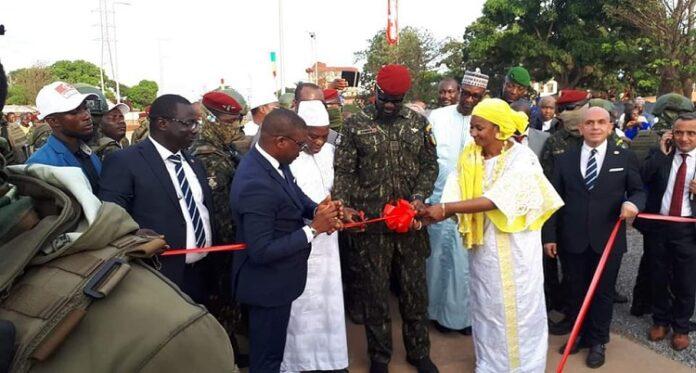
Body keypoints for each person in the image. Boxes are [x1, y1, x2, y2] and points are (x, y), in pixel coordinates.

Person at [417, 98, 564, 373]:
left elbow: (497, 199)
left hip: (517, 250)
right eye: (472, 127)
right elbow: (455, 188)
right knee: (487, 308)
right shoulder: (470, 155)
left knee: (520, 312)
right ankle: (490, 364)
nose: (473, 133)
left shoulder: (522, 157)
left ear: (498, 129)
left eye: (478, 128)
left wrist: (446, 208)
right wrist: (429, 214)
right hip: (484, 249)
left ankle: (524, 367)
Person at [333, 64, 439, 373]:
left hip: (410, 225)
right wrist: (347, 206)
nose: (390, 105)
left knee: (414, 293)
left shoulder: (418, 124)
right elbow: (344, 172)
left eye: (396, 99)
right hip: (373, 228)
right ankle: (380, 357)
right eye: (384, 98)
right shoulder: (354, 125)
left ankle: (419, 352)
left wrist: (418, 197)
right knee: (375, 295)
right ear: (374, 92)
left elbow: (429, 166)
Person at [230, 108, 343, 372]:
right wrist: (313, 229)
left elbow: (295, 195)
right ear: (280, 142)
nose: (302, 150)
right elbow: (261, 250)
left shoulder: (274, 162)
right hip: (266, 286)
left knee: (273, 352)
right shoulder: (255, 183)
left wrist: (318, 210)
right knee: (267, 359)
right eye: (300, 144)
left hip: (278, 281)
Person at [542, 107, 646, 368]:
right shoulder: (565, 159)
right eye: (590, 123)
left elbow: (638, 191)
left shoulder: (624, 157)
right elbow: (553, 200)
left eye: (602, 122)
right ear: (581, 128)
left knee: (602, 292)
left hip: (607, 239)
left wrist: (633, 204)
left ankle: (598, 341)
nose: (596, 127)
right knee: (574, 289)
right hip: (572, 237)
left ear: (611, 126)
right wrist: (549, 236)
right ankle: (577, 334)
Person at [99, 94, 214, 302]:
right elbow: (111, 218)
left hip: (202, 272)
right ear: (162, 123)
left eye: (197, 123)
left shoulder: (194, 162)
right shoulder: (124, 161)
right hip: (158, 277)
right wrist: (135, 236)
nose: (195, 129)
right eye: (189, 123)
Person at [280, 100, 350, 372]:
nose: (319, 142)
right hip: (301, 239)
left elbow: (340, 189)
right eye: (312, 135)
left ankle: (331, 360)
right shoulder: (287, 157)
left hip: (329, 241)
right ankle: (298, 363)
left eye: (324, 135)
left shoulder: (332, 151)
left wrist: (341, 208)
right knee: (302, 304)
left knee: (329, 300)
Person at [425, 69, 488, 335]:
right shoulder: (437, 117)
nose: (470, 100)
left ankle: (463, 319)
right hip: (438, 200)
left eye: (476, 96)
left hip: (473, 204)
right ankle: (434, 313)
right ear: (459, 91)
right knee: (436, 259)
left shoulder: (487, 121)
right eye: (466, 93)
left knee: (467, 264)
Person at [633, 112, 696, 350]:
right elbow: (641, 179)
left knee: (686, 280)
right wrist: (661, 154)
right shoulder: (661, 154)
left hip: (688, 229)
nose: (684, 138)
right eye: (679, 132)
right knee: (657, 274)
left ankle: (681, 326)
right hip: (659, 225)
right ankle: (660, 320)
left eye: (691, 133)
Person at [26, 82, 101, 193]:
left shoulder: (87, 152)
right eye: (74, 112)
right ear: (53, 121)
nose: (87, 116)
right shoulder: (41, 165)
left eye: (85, 108)